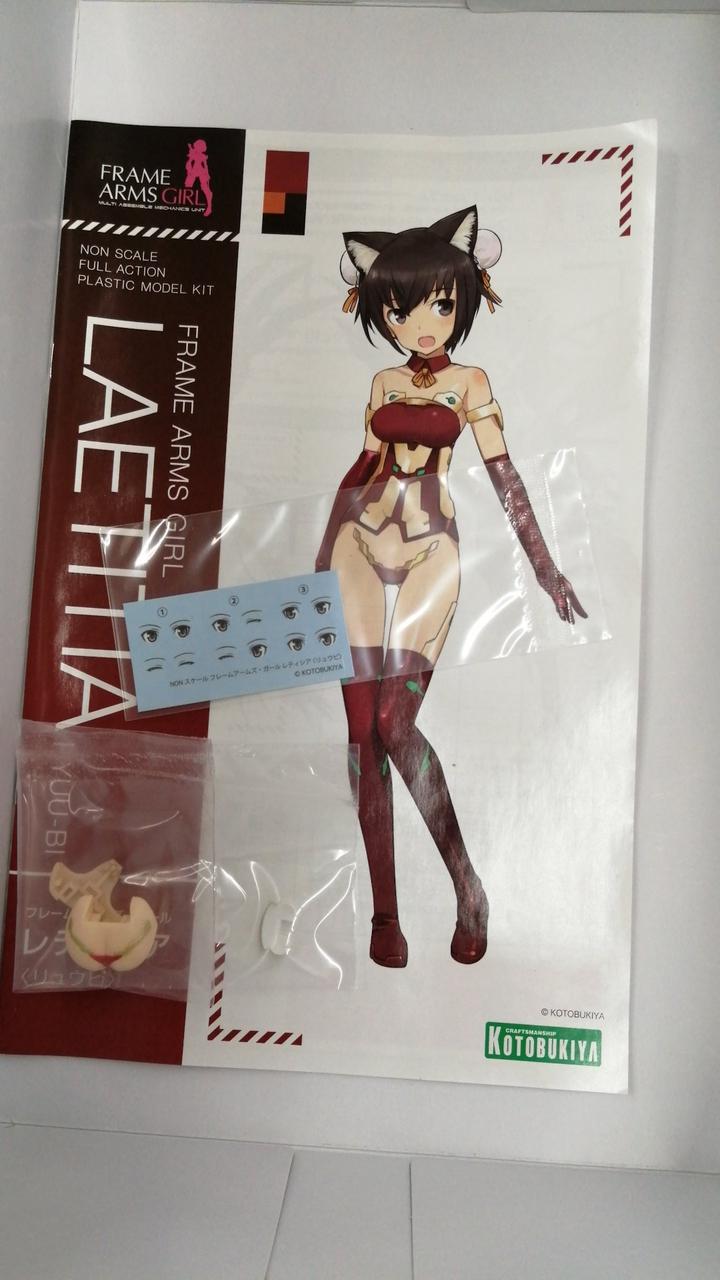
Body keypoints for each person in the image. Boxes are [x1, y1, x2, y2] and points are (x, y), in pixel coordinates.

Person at [317, 206, 585, 969]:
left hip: (432, 545)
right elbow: (363, 468)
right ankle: (385, 916)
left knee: (394, 724)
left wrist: (544, 566)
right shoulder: (381, 380)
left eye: (440, 304)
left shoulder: (470, 382)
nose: (421, 325)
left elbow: (506, 478)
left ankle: (468, 887)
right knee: (361, 735)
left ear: (465, 298)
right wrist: (314, 561)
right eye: (400, 310)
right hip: (358, 544)